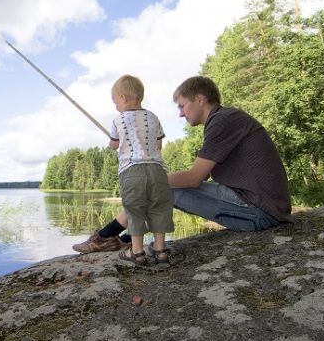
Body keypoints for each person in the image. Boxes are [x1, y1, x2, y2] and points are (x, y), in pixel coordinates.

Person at [72, 76, 293, 253]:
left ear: (199, 99)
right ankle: (122, 238)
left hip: (261, 211)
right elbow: (198, 178)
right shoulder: (224, 120)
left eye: (182, 106)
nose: (180, 113)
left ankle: (107, 237)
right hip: (261, 205)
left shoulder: (223, 121)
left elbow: (193, 178)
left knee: (160, 188)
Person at [72, 75, 174, 264]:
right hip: (157, 170)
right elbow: (159, 145)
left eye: (115, 101)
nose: (115, 106)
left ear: (123, 98)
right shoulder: (153, 117)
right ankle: (161, 250)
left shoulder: (118, 120)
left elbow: (113, 145)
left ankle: (136, 252)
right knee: (159, 208)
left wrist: (115, 142)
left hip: (132, 171)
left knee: (134, 210)